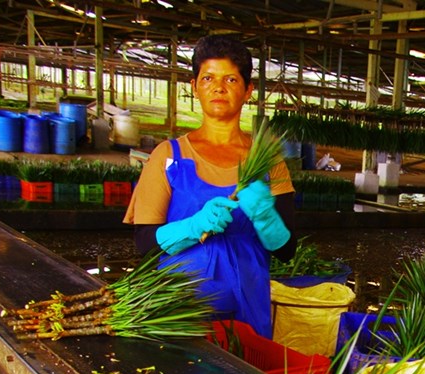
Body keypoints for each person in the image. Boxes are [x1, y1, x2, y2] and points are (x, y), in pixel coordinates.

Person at [125, 35, 296, 339]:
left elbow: (287, 250)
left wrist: (266, 217)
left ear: (248, 91)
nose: (218, 87)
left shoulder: (268, 161)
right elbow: (143, 242)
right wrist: (192, 227)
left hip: (248, 314)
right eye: (208, 78)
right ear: (194, 87)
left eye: (231, 79)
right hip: (180, 309)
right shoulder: (168, 156)